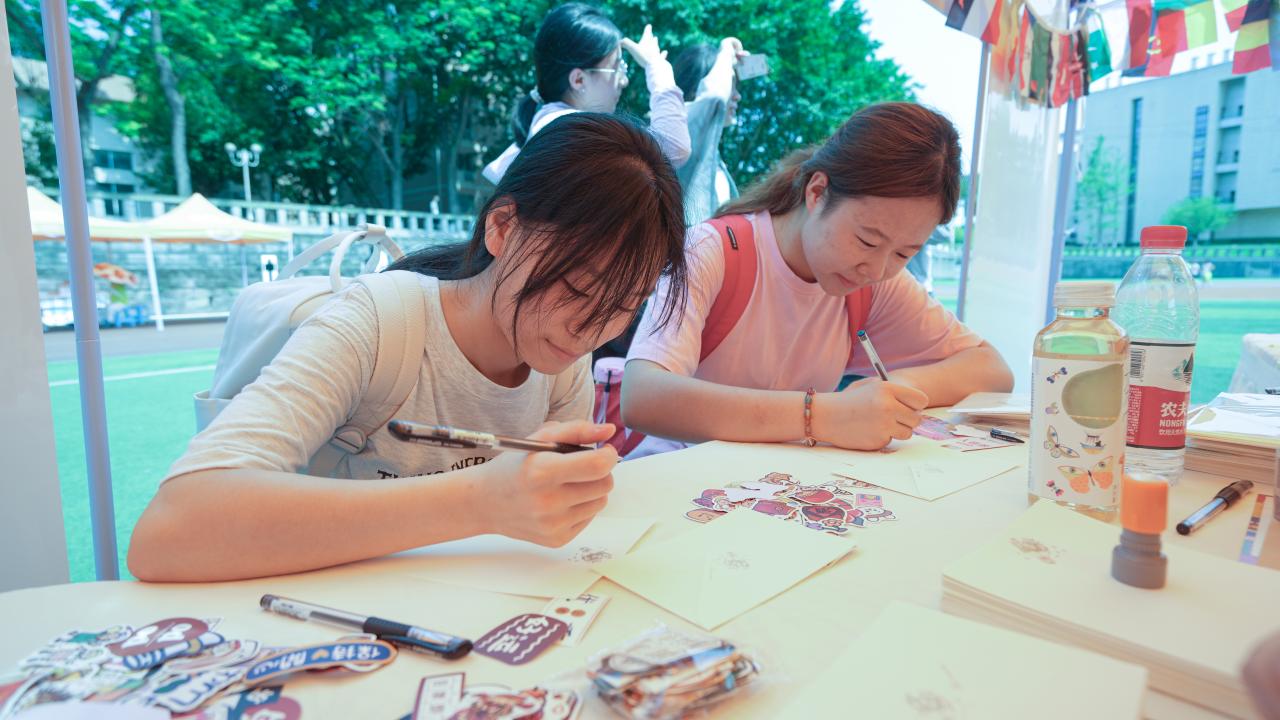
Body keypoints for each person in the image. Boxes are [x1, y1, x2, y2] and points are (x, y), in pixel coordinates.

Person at [128, 113, 689, 582]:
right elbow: (172, 529)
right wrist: (478, 500)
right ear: (502, 227)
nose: (591, 331)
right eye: (578, 288)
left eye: (626, 304)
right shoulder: (377, 323)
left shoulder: (559, 363)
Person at [621, 102, 1014, 457]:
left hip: (777, 489)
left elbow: (993, 370)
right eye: (867, 240)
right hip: (678, 478)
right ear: (817, 191)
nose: (876, 269)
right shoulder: (714, 250)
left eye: (904, 254)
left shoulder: (874, 284)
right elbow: (642, 396)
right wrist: (820, 416)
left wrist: (895, 387)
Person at [482, 3, 689, 184]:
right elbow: (674, 147)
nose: (624, 81)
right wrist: (658, 67)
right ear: (579, 80)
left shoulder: (553, 126)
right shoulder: (577, 133)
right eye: (617, 67)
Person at [672, 37, 746, 226]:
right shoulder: (680, 131)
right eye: (731, 85)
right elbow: (714, 97)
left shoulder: (713, 158)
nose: (737, 96)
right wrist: (726, 50)